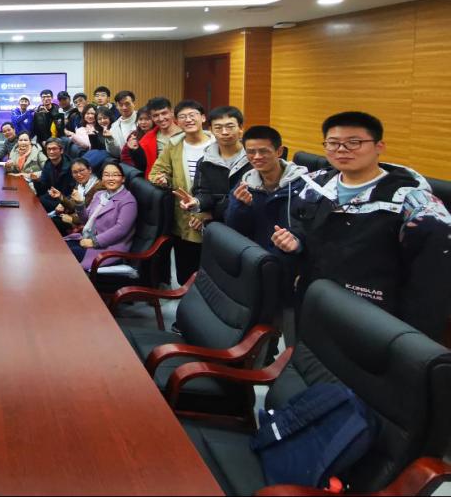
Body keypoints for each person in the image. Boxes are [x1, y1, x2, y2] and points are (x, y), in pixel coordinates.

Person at [274, 112, 451, 341]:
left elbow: (430, 284)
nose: (341, 150)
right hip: (316, 301)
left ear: (379, 146)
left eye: (354, 142)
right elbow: (302, 227)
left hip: (374, 319)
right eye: (333, 143)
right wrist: (296, 243)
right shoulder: (316, 185)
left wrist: (411, 342)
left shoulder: (415, 206)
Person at [224, 125, 308, 342]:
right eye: (251, 152)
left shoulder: (305, 186)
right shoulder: (245, 183)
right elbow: (234, 229)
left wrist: (299, 247)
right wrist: (240, 207)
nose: (257, 157)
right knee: (260, 331)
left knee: (294, 333)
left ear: (279, 151)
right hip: (259, 266)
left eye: (264, 151)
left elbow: (312, 230)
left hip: (292, 270)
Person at [149, 100, 214, 286]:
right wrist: (163, 179)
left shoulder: (217, 145)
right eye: (183, 117)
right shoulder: (174, 145)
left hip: (213, 218)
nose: (188, 120)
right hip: (184, 219)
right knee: (186, 274)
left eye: (193, 115)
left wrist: (206, 212)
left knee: (212, 275)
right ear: (177, 121)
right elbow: (156, 172)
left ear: (203, 118)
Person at [175, 106, 252, 225]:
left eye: (230, 127)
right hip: (218, 225)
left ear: (241, 128)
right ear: (211, 130)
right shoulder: (205, 161)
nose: (224, 132)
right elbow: (204, 194)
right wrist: (196, 202)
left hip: (249, 222)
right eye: (218, 128)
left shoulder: (254, 159)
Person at [63, 162, 138, 273]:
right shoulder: (99, 195)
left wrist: (94, 242)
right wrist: (79, 204)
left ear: (123, 179)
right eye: (106, 175)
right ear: (102, 178)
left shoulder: (128, 201)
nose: (110, 178)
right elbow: (85, 219)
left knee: (64, 258)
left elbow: (121, 229)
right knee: (59, 248)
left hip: (107, 248)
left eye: (115, 175)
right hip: (86, 239)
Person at [49, 158, 100, 235]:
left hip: (88, 225)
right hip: (77, 217)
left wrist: (72, 219)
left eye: (81, 170)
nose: (78, 175)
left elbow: (92, 214)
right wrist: (60, 197)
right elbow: (73, 206)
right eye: (75, 172)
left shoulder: (98, 187)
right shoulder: (80, 185)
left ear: (89, 170)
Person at [137, 96, 183, 178]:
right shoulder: (146, 141)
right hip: (162, 182)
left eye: (164, 113)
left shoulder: (187, 132)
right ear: (151, 117)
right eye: (155, 115)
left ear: (172, 112)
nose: (161, 118)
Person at [35, 138, 73, 212]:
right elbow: (42, 189)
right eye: (49, 149)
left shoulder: (71, 166)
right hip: (53, 196)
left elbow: (74, 190)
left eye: (54, 149)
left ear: (61, 150)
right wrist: (36, 181)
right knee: (36, 201)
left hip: (66, 200)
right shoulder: (48, 163)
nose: (51, 152)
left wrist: (63, 203)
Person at [121, 106, 154, 172]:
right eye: (140, 119)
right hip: (135, 170)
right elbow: (125, 156)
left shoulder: (158, 134)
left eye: (147, 119)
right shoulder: (134, 135)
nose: (143, 122)